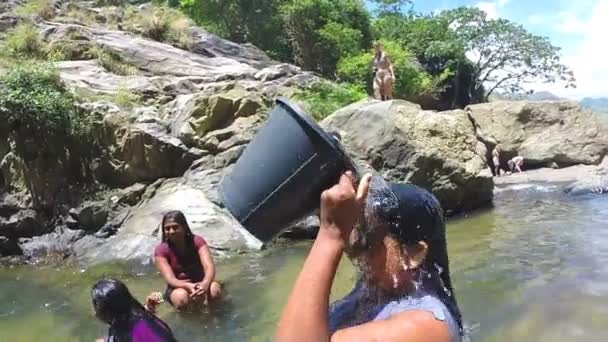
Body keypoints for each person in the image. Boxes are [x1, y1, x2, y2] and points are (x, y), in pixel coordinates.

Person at [276, 172, 463, 341]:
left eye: (371, 238)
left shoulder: (424, 325)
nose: (361, 247)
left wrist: (331, 234)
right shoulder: (372, 292)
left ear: (412, 255)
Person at [154, 210, 222, 311]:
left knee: (214, 290)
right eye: (167, 229)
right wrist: (188, 286)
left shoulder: (197, 242)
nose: (171, 231)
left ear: (184, 227)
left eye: (175, 227)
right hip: (178, 287)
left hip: (201, 282)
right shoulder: (161, 250)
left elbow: (209, 267)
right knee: (181, 298)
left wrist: (205, 284)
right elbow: (171, 279)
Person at [91, 278, 177, 342]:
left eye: (96, 306)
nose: (95, 312)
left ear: (107, 310)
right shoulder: (126, 318)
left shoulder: (141, 330)